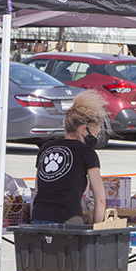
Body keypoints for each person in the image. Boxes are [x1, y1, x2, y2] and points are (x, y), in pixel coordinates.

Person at [32, 91, 108, 225]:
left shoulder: (45, 148)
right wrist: (96, 228)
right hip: (68, 220)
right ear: (83, 129)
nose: (95, 138)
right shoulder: (86, 152)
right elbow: (100, 199)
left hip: (39, 217)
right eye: (95, 133)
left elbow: (38, 189)